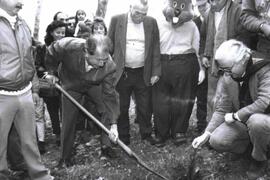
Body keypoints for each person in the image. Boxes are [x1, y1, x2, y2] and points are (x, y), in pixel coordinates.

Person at [192, 39, 270, 179]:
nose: (225, 73)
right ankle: (250, 148)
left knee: (256, 121)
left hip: (265, 119)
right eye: (223, 69)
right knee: (216, 140)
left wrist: (235, 116)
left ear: (242, 60)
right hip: (246, 121)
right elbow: (222, 109)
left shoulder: (265, 68)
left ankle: (259, 160)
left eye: (228, 69)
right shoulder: (229, 76)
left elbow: (264, 101)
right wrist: (207, 133)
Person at [44, 35, 120, 167]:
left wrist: (114, 124)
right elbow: (52, 51)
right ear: (86, 52)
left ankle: (106, 146)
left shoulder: (109, 66)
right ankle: (65, 158)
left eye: (105, 59)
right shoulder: (68, 46)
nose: (102, 64)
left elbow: (109, 95)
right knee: (68, 119)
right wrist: (51, 71)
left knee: (107, 109)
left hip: (93, 85)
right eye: (98, 60)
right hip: (71, 84)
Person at [0, 0, 54, 179]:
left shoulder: (23, 24)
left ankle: (40, 175)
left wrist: (35, 89)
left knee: (29, 140)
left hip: (25, 92)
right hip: (2, 95)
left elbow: (30, 59)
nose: (20, 2)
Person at [108, 0, 161, 145]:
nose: (140, 17)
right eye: (137, 13)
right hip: (122, 72)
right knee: (122, 105)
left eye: (144, 14)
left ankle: (146, 134)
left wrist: (156, 71)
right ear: (130, 7)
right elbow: (109, 45)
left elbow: (156, 47)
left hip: (143, 72)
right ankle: (124, 136)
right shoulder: (117, 19)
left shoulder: (151, 22)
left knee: (145, 105)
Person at [153, 0, 205, 147]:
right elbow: (153, 46)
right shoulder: (158, 23)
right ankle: (161, 133)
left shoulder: (192, 26)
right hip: (163, 61)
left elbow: (197, 48)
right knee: (161, 100)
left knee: (183, 98)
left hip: (186, 62)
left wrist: (200, 69)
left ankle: (179, 131)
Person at [35, 20, 67, 149]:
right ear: (51, 33)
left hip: (65, 84)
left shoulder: (67, 46)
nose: (60, 35)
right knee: (53, 110)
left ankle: (66, 134)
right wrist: (47, 74)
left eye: (63, 33)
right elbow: (38, 66)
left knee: (65, 110)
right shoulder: (43, 48)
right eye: (58, 32)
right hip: (49, 86)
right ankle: (57, 134)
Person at [193, 0, 210, 133]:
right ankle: (201, 126)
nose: (201, 8)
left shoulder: (217, 19)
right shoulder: (194, 22)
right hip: (200, 64)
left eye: (204, 5)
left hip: (216, 62)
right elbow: (195, 47)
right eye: (199, 6)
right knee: (201, 96)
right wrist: (201, 68)